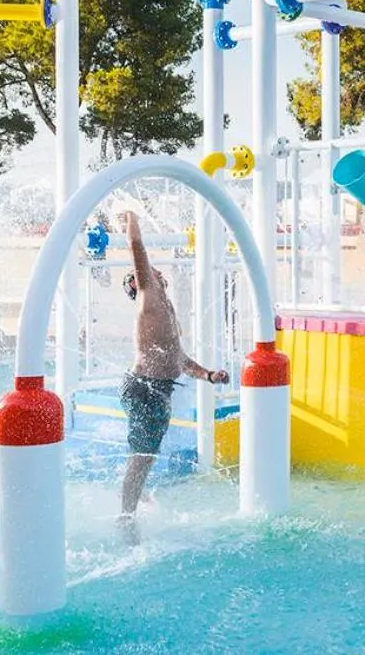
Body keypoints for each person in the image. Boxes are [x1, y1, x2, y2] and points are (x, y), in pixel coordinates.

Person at [116, 209, 228, 543]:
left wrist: (209, 375)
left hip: (160, 389)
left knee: (147, 452)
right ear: (137, 282)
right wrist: (131, 219)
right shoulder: (147, 296)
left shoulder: (167, 311)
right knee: (142, 454)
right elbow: (137, 249)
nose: (157, 271)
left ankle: (135, 495)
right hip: (144, 388)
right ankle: (125, 517)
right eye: (149, 272)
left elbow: (180, 360)